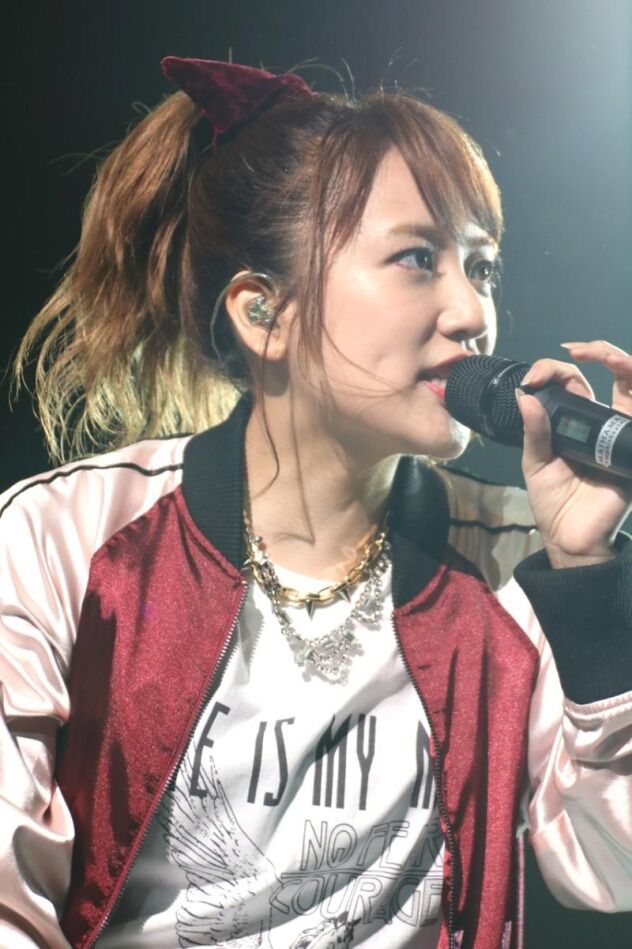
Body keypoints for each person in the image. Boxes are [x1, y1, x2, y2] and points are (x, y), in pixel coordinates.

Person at [1, 56, 631, 949]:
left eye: (481, 267)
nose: (472, 313)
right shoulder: (63, 537)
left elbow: (611, 863)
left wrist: (590, 578)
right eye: (418, 259)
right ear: (264, 314)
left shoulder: (518, 558)